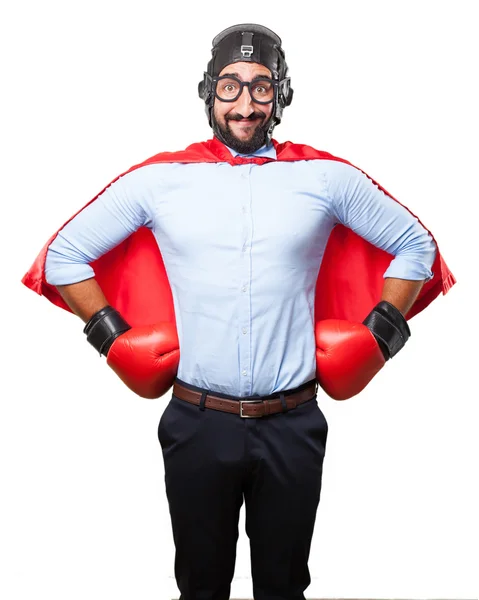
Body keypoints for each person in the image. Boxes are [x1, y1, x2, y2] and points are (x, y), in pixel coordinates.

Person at [22, 23, 455, 600]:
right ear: (207, 93)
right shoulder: (160, 181)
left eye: (261, 87)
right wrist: (112, 339)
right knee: (200, 588)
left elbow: (417, 246)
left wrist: (378, 338)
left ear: (282, 95)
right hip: (198, 423)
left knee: (283, 588)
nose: (245, 105)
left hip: (293, 423)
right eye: (230, 87)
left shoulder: (324, 178)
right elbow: (65, 255)